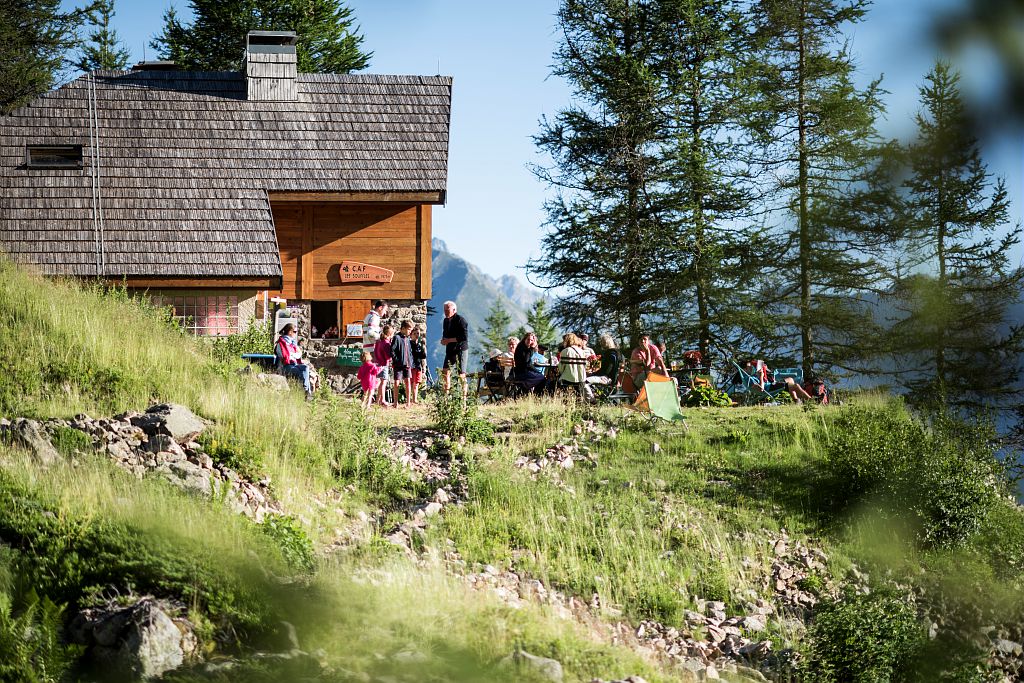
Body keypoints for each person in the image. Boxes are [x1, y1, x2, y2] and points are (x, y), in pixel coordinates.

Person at [275, 323, 318, 399]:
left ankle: (305, 390)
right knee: (302, 373)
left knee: (305, 368)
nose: (296, 333)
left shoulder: (293, 343)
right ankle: (307, 393)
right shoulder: (280, 343)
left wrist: (292, 354)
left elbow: (299, 354)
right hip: (286, 366)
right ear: (290, 332)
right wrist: (293, 354)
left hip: (294, 364)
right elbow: (283, 356)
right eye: (295, 332)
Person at [439, 300, 469, 393]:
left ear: (454, 310)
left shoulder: (461, 320)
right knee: (445, 372)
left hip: (461, 349)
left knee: (461, 374)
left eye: (447, 310)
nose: (445, 312)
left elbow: (464, 337)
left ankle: (463, 398)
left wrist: (449, 340)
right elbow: (445, 333)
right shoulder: (446, 321)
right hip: (450, 349)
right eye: (444, 310)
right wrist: (444, 340)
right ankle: (446, 397)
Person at [557, 333, 590, 399]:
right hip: (581, 379)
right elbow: (586, 366)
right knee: (578, 390)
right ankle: (579, 400)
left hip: (568, 379)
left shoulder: (565, 351)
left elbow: (561, 368)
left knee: (555, 381)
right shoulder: (582, 351)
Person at [391, 320, 414, 407]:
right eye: (409, 330)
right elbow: (392, 350)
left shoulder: (407, 339)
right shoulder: (397, 338)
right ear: (403, 328)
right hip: (398, 365)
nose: (410, 332)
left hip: (407, 365)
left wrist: (410, 361)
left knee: (408, 382)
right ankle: (395, 403)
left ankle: (408, 402)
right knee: (396, 383)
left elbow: (410, 351)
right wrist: (397, 361)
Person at [374, 324, 395, 407]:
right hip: (384, 364)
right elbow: (388, 356)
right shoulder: (386, 343)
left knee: (381, 382)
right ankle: (382, 400)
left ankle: (377, 400)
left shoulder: (379, 342)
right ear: (390, 334)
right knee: (383, 382)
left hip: (378, 362)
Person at [409, 325, 427, 404]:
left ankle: (414, 399)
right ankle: (409, 399)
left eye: (418, 334)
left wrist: (423, 346)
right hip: (411, 366)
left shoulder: (420, 345)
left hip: (418, 366)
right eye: (415, 333)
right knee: (411, 382)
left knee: (416, 383)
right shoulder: (409, 344)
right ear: (411, 335)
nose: (416, 335)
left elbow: (423, 356)